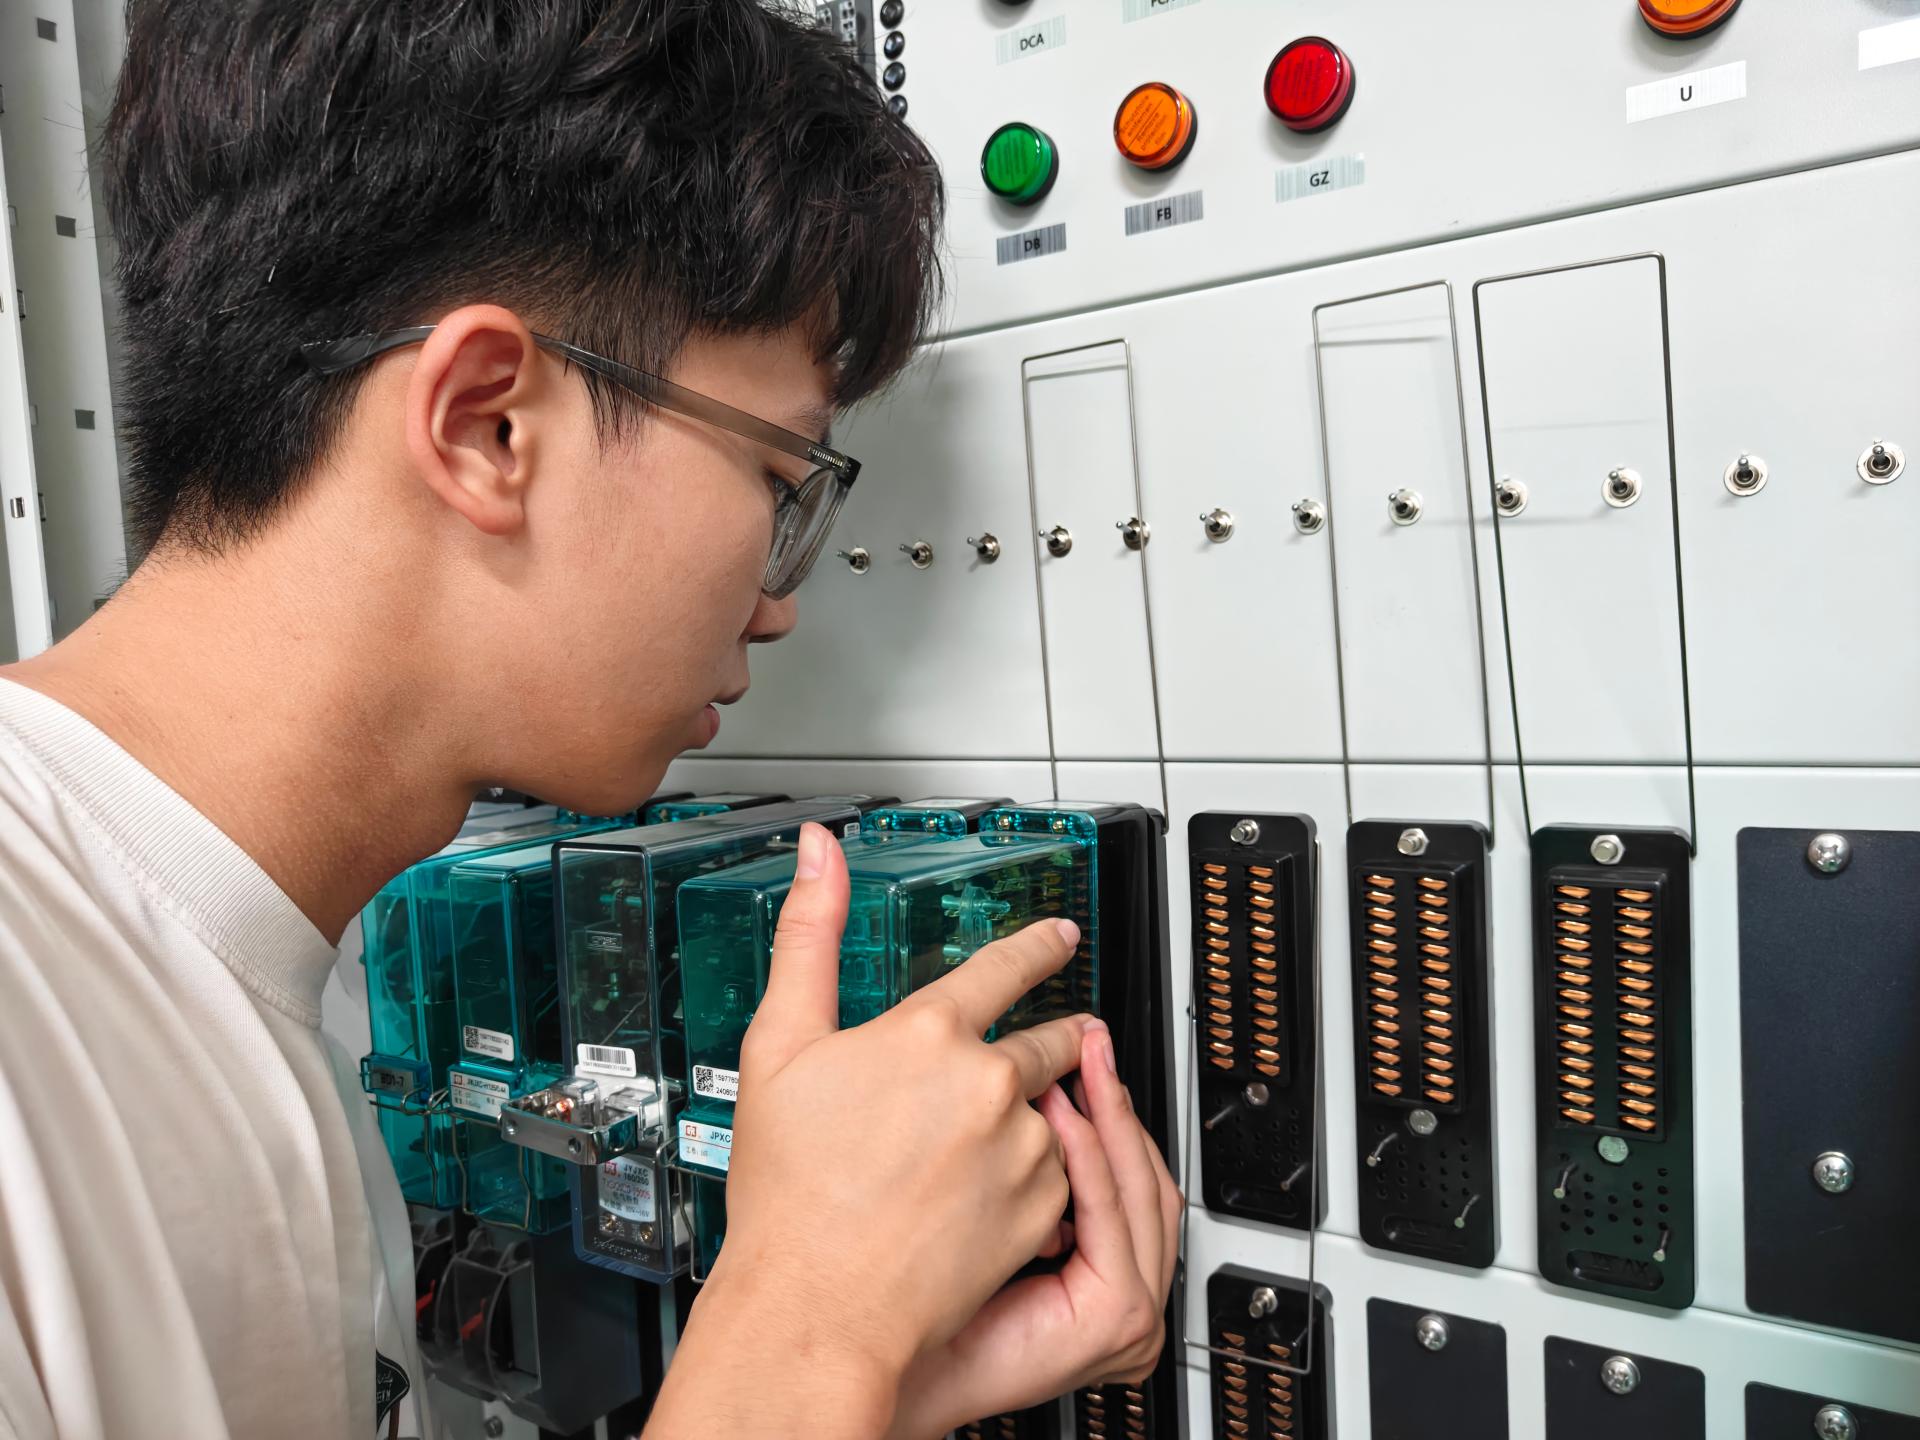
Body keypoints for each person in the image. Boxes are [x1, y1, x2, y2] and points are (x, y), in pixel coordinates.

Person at [0, 1, 1180, 1438]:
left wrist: (858, 1390)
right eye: (780, 478)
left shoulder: (253, 986)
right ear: (487, 424)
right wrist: (807, 1327)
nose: (776, 606)